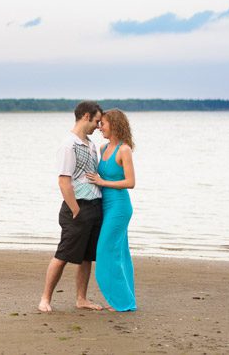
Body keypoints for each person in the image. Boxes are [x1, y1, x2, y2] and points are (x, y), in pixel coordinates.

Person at [38, 100, 104, 312]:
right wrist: (75, 209)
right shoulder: (69, 144)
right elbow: (64, 180)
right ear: (86, 116)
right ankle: (45, 299)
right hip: (77, 209)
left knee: (86, 258)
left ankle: (81, 299)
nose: (98, 126)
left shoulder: (91, 145)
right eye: (96, 121)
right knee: (63, 255)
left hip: (95, 207)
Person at [87, 108, 137, 312]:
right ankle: (122, 299)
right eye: (99, 124)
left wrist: (103, 182)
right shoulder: (102, 148)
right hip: (105, 206)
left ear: (114, 125)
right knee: (119, 253)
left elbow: (131, 182)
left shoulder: (124, 150)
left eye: (103, 124)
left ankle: (123, 302)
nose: (100, 128)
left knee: (106, 252)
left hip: (119, 206)